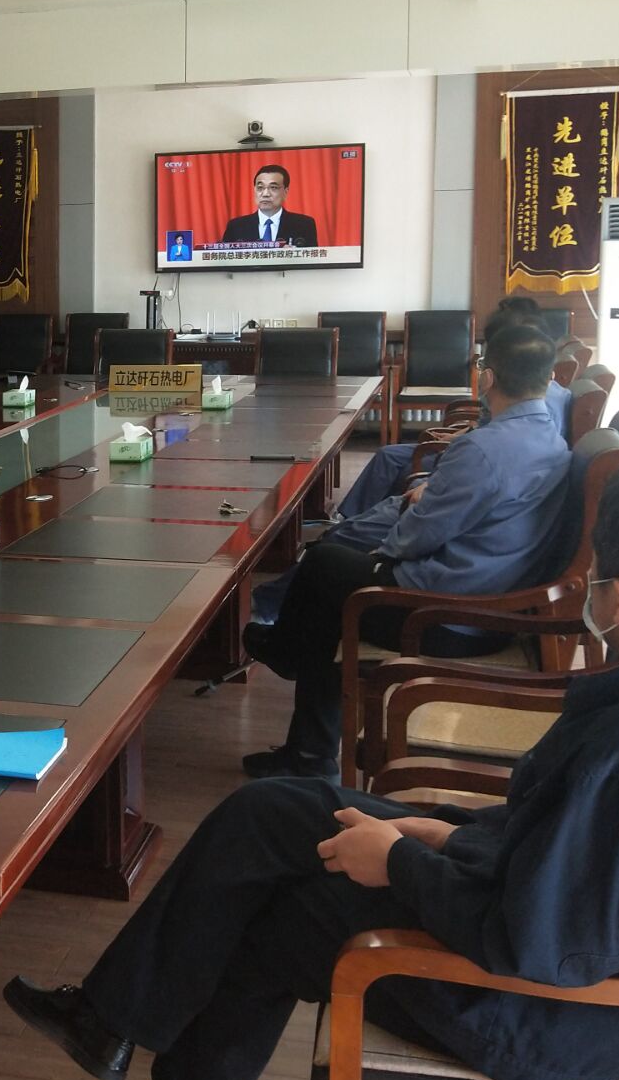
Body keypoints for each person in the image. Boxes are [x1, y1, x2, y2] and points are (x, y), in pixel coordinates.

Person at [4, 455, 619, 1080]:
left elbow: (542, 948)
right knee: (274, 811)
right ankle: (109, 1020)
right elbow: (592, 864)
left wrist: (400, 863)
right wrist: (453, 835)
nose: (589, 588)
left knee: (301, 913)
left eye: (598, 577)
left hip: (561, 1017)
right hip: (568, 917)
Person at [243, 321, 572, 778]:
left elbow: (417, 535)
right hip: (491, 602)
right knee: (328, 583)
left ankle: (293, 685)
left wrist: (384, 551)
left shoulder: (483, 450)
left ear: (487, 377)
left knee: (324, 564)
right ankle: (304, 739)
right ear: (549, 378)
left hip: (447, 616)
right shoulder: (552, 438)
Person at [332, 298, 573, 523]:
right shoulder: (515, 387)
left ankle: (358, 527)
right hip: (468, 456)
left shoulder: (541, 405)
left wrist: (435, 481)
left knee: (402, 482)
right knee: (387, 456)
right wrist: (460, 434)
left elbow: (511, 462)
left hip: (470, 471)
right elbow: (486, 424)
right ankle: (350, 520)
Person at [218, 165, 319, 247]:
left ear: (285, 192)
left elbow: (312, 261)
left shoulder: (304, 225)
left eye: (273, 187)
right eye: (260, 187)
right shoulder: (236, 226)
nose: (265, 194)